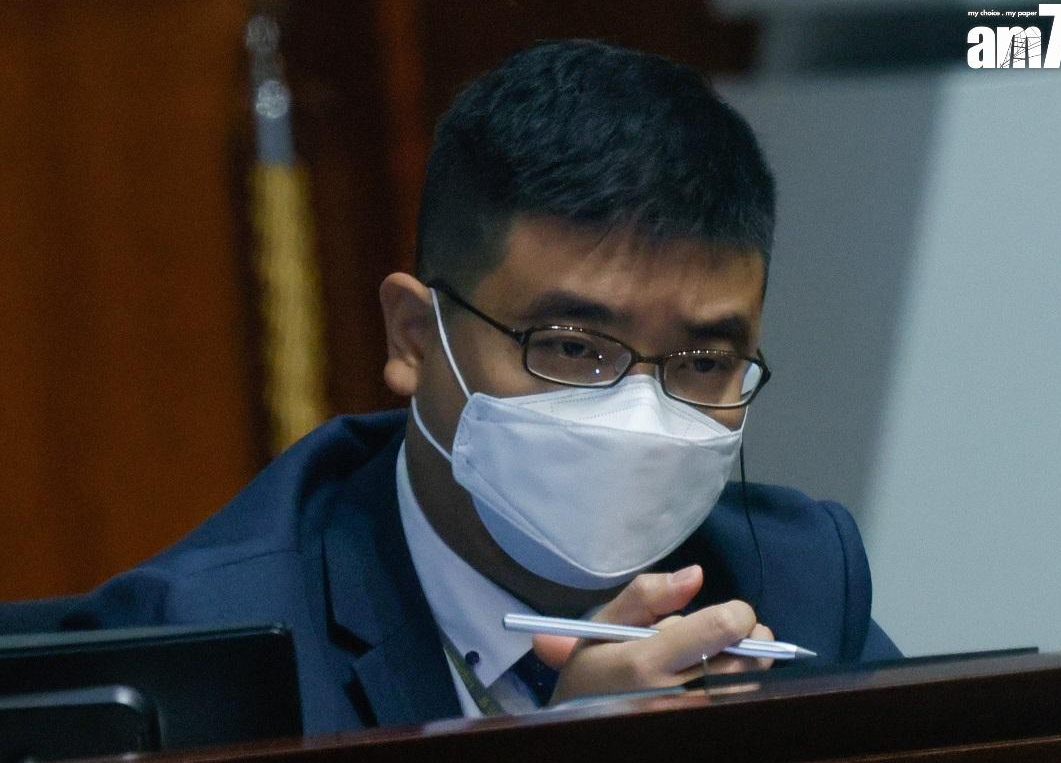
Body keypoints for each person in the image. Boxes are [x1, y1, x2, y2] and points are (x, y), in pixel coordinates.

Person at [0, 39, 899, 732]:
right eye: (572, 347)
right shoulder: (204, 645)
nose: (639, 413)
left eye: (701, 363)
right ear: (413, 336)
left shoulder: (796, 577)